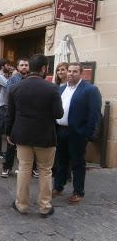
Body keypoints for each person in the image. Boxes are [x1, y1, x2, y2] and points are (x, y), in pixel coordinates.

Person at [6, 54, 63, 217]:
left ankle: (21, 204)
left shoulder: (16, 88)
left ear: (29, 67)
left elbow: (10, 115)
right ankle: (44, 206)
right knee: (45, 170)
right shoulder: (52, 88)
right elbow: (58, 114)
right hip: (45, 136)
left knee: (24, 168)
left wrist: (8, 133)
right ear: (44, 68)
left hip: (22, 135)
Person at [53, 63, 102, 204]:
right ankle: (58, 186)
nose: (71, 74)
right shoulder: (61, 89)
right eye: (69, 71)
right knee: (60, 161)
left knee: (77, 163)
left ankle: (78, 192)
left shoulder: (90, 90)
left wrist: (86, 132)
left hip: (77, 132)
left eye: (75, 71)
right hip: (60, 130)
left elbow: (94, 114)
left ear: (81, 74)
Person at [1, 58, 32, 178]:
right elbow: (9, 99)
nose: (24, 67)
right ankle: (7, 167)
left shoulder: (32, 80)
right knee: (11, 143)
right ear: (18, 67)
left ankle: (25, 168)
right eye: (22, 65)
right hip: (15, 116)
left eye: (26, 65)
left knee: (26, 144)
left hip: (28, 117)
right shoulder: (12, 80)